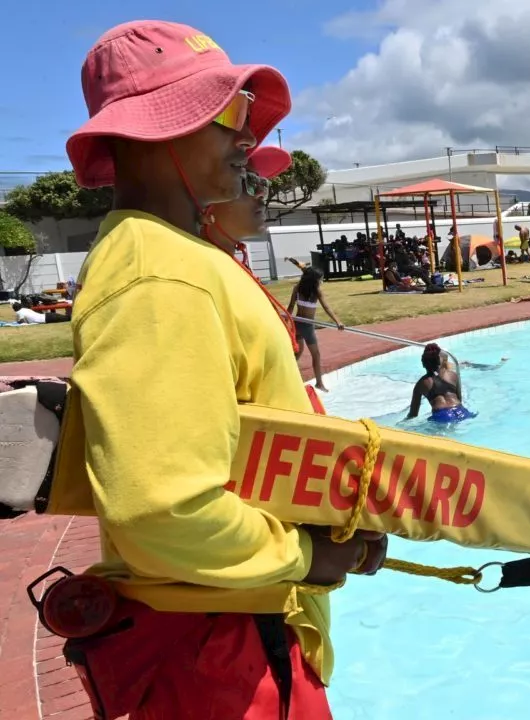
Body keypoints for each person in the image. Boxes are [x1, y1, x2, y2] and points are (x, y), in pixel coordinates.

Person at [59, 20, 385, 718]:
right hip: (221, 656)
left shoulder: (177, 258)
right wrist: (305, 556)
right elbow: (163, 507)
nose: (248, 138)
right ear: (157, 128)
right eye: (229, 112)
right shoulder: (157, 274)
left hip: (244, 633)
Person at [288, 267, 345, 392]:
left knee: (298, 352)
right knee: (316, 355)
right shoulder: (316, 291)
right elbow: (327, 308)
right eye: (320, 278)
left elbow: (291, 307)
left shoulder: (297, 288)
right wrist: (338, 321)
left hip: (297, 323)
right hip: (307, 326)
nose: (321, 280)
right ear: (315, 279)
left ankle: (288, 376)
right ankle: (319, 383)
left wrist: (287, 321)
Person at [407, 343, 475, 422]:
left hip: (442, 415)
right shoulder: (452, 375)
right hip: (460, 410)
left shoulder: (421, 384)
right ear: (439, 361)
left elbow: (413, 414)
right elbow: (459, 399)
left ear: (423, 363)